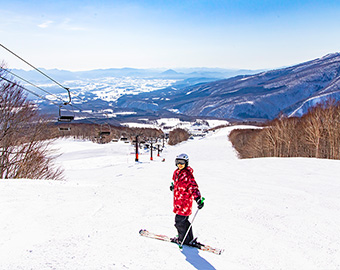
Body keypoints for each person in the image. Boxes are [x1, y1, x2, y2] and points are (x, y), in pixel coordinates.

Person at [170, 153, 204, 247]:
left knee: (179, 222)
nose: (180, 164)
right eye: (178, 162)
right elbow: (176, 182)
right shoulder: (176, 172)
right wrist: (173, 187)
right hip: (178, 202)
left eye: (182, 163)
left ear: (186, 163)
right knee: (185, 222)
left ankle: (182, 239)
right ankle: (188, 238)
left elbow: (194, 188)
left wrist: (197, 199)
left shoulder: (188, 175)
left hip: (184, 203)